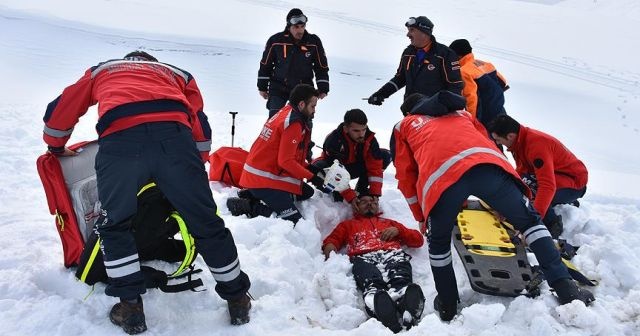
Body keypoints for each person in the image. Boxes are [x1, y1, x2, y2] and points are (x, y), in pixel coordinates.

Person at [42, 51, 252, 334]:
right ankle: (237, 299)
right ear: (152, 63)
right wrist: (191, 165)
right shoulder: (176, 73)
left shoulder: (104, 70)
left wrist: (55, 144)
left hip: (121, 140)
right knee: (205, 221)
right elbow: (198, 122)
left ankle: (130, 309)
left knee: (115, 224)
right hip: (175, 139)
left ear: (129, 60)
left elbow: (62, 109)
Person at [392, 91, 594, 322]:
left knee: (438, 243)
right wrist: (506, 195)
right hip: (490, 167)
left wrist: (421, 216)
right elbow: (486, 143)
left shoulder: (404, 125)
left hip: (442, 178)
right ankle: (565, 288)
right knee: (530, 223)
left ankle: (448, 304)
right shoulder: (461, 113)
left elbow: (406, 176)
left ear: (410, 112)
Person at [322, 194, 425, 332]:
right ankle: (376, 302)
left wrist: (399, 231)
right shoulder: (348, 225)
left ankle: (406, 300)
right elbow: (332, 241)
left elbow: (418, 240)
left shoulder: (389, 223)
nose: (369, 204)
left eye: (372, 201)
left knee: (400, 276)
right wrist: (330, 252)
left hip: (392, 254)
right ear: (356, 206)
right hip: (364, 257)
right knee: (371, 280)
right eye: (364, 202)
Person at [227, 84, 324, 225]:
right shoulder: (293, 123)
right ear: (302, 104)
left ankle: (253, 193)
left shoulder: (286, 111)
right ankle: (249, 206)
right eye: (313, 106)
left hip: (261, 172)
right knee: (292, 222)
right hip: (263, 178)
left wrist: (309, 168)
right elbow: (286, 162)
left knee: (307, 192)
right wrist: (312, 177)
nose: (314, 111)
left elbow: (289, 155)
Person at [487, 115, 588, 238]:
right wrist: (504, 201)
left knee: (532, 191)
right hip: (555, 176)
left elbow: (547, 186)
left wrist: (532, 223)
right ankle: (562, 201)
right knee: (523, 186)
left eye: (498, 139)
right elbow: (520, 172)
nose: (498, 143)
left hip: (574, 182)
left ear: (510, 136)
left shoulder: (537, 146)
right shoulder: (519, 142)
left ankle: (552, 224)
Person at [367, 16, 463, 107]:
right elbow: (400, 79)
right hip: (411, 110)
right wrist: (381, 94)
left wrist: (448, 110)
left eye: (412, 30)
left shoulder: (445, 55)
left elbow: (455, 86)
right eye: (408, 30)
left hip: (435, 114)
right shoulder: (408, 53)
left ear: (424, 33)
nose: (408, 34)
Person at [258, 8, 330, 117]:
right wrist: (262, 87)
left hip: (304, 89)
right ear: (289, 26)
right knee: (275, 120)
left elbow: (321, 67)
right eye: (296, 27)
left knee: (304, 121)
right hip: (279, 87)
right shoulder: (275, 41)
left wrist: (323, 87)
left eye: (302, 26)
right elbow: (265, 65)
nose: (300, 30)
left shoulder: (314, 42)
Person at [311, 109, 391, 203]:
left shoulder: (370, 139)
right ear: (346, 129)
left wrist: (375, 194)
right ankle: (334, 194)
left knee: (385, 155)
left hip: (353, 168)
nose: (361, 134)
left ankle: (361, 191)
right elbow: (335, 171)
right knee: (320, 167)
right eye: (356, 131)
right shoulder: (333, 140)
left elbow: (375, 168)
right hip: (331, 170)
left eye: (364, 129)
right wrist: (350, 197)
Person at [448, 39, 509, 127]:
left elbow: (471, 98)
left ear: (458, 55)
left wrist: (472, 121)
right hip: (499, 108)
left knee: (488, 140)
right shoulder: (486, 64)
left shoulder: (464, 71)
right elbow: (503, 82)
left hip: (485, 115)